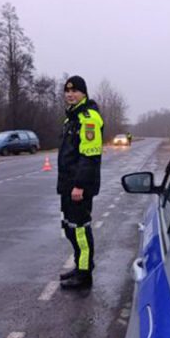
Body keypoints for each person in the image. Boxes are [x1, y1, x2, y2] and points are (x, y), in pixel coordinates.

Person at [57, 75, 104, 290]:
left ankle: (84, 275)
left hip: (79, 187)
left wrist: (79, 185)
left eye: (74, 91)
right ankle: (79, 266)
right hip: (68, 185)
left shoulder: (88, 118)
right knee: (69, 228)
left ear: (84, 93)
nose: (70, 94)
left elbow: (89, 157)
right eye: (67, 91)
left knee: (80, 231)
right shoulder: (71, 118)